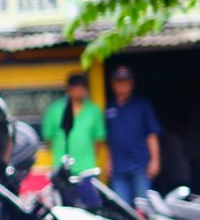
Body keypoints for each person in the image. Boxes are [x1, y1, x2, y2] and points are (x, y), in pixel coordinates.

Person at [105, 64, 162, 203]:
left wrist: (155, 160)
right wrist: (108, 161)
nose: (122, 85)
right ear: (113, 84)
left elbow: (151, 135)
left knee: (143, 208)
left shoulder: (142, 106)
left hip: (140, 165)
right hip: (118, 168)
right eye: (119, 81)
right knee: (123, 208)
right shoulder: (108, 107)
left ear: (131, 83)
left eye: (126, 81)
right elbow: (106, 138)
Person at [40, 73, 106, 175]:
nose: (78, 89)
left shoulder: (93, 110)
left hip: (87, 168)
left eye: (82, 86)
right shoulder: (54, 110)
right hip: (61, 168)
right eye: (75, 86)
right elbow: (49, 140)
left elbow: (98, 140)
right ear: (68, 88)